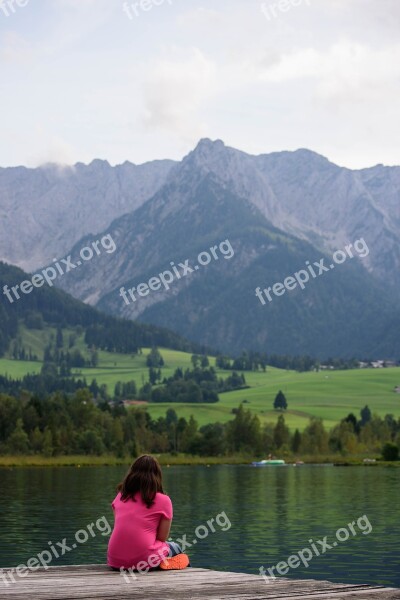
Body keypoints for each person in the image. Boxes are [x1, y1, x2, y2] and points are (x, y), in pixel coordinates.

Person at [107, 454, 189, 572]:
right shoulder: (164, 500)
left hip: (115, 561)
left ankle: (161, 561)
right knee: (175, 547)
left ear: (131, 474)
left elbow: (122, 529)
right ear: (157, 476)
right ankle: (167, 564)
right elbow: (162, 538)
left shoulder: (120, 497)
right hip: (144, 560)